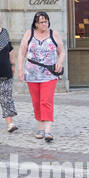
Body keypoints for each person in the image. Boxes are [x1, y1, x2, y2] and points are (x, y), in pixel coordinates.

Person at [17, 10, 65, 142]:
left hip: (49, 74)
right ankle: (40, 128)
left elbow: (62, 51)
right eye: (41, 22)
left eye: (46, 21)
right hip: (32, 74)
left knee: (46, 101)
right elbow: (21, 53)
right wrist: (20, 69)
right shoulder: (29, 34)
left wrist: (60, 62)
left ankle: (48, 131)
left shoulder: (54, 34)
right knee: (37, 102)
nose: (44, 24)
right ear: (36, 24)